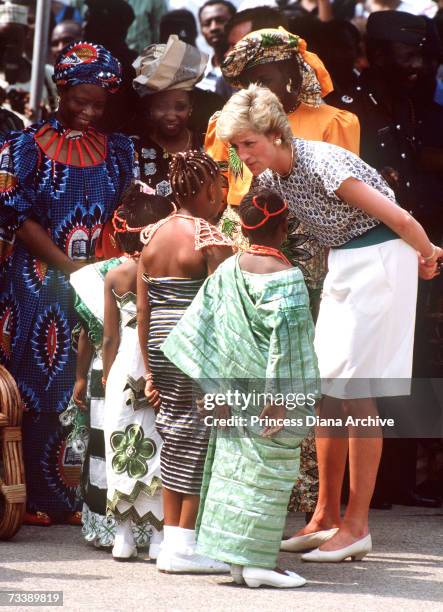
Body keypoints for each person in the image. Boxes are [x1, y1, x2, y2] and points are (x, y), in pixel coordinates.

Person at [215, 84, 442, 561]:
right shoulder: (273, 177)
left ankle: (357, 525)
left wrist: (427, 255)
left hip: (382, 255)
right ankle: (325, 516)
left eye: (249, 143)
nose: (243, 153)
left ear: (276, 134)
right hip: (344, 262)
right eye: (237, 145)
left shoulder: (323, 162)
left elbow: (397, 216)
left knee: (358, 390)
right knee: (327, 389)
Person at [0, 42, 133, 526]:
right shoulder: (22, 148)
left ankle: (76, 498)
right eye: (81, 99)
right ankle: (31, 496)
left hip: (98, 282)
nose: (89, 111)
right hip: (39, 283)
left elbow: (123, 214)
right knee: (38, 385)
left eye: (99, 103)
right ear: (62, 89)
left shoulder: (119, 151)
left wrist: (101, 269)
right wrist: (67, 266)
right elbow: (18, 218)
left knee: (87, 388)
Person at [162, 188, 320, 588]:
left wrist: (210, 390)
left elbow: (201, 330)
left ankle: (236, 561)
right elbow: (291, 345)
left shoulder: (228, 269)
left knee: (233, 474)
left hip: (231, 393)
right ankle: (257, 564)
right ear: (284, 228)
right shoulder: (288, 277)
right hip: (269, 400)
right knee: (268, 475)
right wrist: (282, 399)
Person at [137, 150, 233, 573]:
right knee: (198, 439)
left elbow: (143, 312)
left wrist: (149, 369)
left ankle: (171, 541)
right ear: (211, 190)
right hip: (196, 350)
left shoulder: (153, 235)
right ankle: (186, 546)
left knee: (175, 435)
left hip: (160, 347)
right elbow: (226, 307)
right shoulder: (209, 237)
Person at [102, 184, 175, 560]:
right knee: (158, 441)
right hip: (158, 355)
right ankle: (160, 538)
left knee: (121, 438)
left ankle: (123, 536)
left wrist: (104, 372)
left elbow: (110, 336)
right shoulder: (166, 269)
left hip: (124, 361)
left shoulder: (115, 275)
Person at [131, 35, 209, 198]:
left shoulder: (207, 144)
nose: (171, 116)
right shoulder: (134, 150)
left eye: (180, 107)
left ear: (191, 106)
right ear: (149, 108)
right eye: (161, 107)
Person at [197, 0, 236, 94]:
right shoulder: (196, 75)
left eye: (220, 21)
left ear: (236, 23)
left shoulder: (249, 69)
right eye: (207, 23)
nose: (213, 28)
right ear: (201, 30)